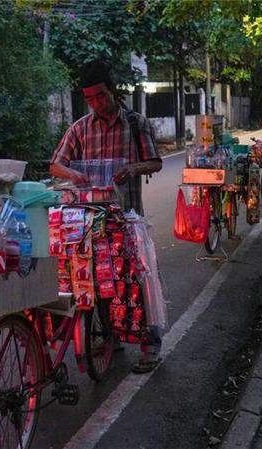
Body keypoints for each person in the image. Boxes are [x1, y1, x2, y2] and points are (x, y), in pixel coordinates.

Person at [50, 61, 163, 373]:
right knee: (100, 282)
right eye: (89, 98)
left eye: (100, 95)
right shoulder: (80, 128)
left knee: (139, 281)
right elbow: (56, 164)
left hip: (128, 219)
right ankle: (111, 337)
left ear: (112, 90)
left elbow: (155, 162)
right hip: (92, 224)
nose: (96, 103)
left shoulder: (136, 124)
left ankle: (150, 347)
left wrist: (133, 168)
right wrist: (73, 174)